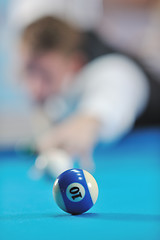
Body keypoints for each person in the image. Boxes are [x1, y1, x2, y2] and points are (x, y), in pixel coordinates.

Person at [19, 16, 149, 169]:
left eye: (47, 76)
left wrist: (88, 121)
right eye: (29, 71)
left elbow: (119, 82)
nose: (36, 87)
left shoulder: (108, 70)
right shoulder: (53, 91)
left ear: (74, 65)